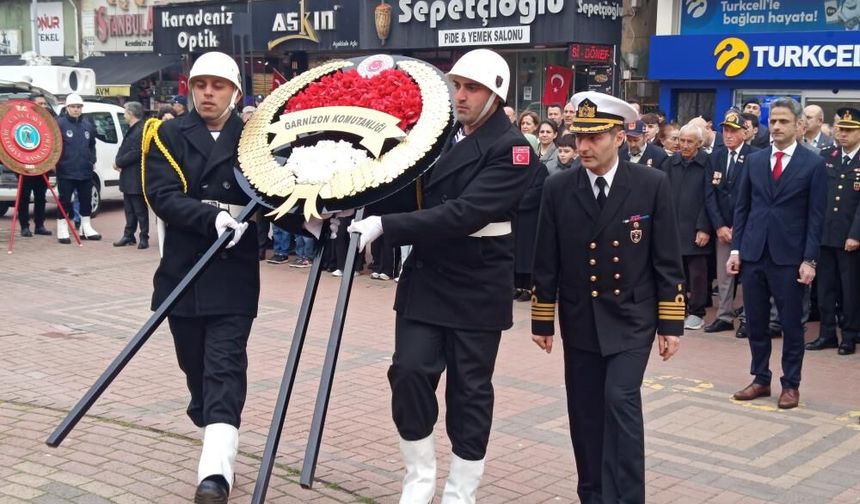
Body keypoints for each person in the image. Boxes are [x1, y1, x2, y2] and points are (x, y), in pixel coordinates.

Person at [346, 48, 534, 504]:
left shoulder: (514, 151)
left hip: (477, 283)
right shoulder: (438, 136)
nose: (461, 96)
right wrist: (348, 204)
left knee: (469, 392)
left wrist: (387, 227)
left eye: (473, 89)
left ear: (495, 95)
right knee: (408, 372)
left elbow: (465, 214)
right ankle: (419, 477)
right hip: (428, 278)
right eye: (457, 86)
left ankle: (460, 491)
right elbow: (402, 188)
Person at [530, 91, 685, 504]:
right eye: (579, 136)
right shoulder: (559, 187)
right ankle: (593, 494)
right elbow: (546, 258)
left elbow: (667, 259)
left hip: (632, 315)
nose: (583, 146)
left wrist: (671, 323)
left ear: (619, 137)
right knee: (585, 411)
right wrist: (543, 319)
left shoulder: (651, 184)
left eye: (594, 137)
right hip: (581, 317)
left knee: (620, 399)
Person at [143, 51, 261, 502]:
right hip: (184, 271)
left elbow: (275, 196)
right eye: (200, 85)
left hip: (233, 276)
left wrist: (316, 211)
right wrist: (209, 217)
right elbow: (162, 195)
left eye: (218, 86)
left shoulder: (253, 140)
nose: (208, 93)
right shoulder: (168, 134)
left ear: (235, 92)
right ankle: (210, 418)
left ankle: (215, 475)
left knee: (224, 369)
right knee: (196, 371)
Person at [728, 97, 827, 410]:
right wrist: (736, 249)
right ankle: (760, 378)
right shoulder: (755, 160)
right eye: (772, 121)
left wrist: (809, 259)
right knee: (756, 322)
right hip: (754, 253)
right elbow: (742, 208)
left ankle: (791, 384)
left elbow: (816, 217)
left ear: (798, 125)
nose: (776, 127)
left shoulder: (813, 164)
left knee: (791, 325)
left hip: (790, 258)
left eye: (783, 121)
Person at [805, 108, 860, 355]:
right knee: (825, 289)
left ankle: (849, 336)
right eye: (841, 129)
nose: (843, 134)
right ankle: (826, 334)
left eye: (849, 130)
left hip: (849, 238)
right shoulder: (828, 156)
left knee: (849, 291)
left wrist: (855, 234)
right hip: (825, 235)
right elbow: (817, 197)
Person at [703, 111, 759, 333]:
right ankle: (724, 316)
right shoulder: (715, 157)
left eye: (733, 131)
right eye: (725, 130)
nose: (728, 135)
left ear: (745, 133)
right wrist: (719, 225)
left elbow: (756, 194)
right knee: (724, 274)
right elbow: (709, 194)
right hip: (723, 227)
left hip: (748, 226)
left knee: (748, 275)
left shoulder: (755, 156)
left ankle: (747, 317)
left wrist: (740, 224)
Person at [660, 124, 713, 330]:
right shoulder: (669, 163)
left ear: (699, 143)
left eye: (689, 141)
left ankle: (697, 312)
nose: (684, 145)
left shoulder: (707, 163)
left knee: (697, 275)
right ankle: (677, 310)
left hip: (696, 227)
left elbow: (710, 198)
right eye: (681, 140)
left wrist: (704, 227)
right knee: (675, 272)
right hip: (673, 227)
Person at [56, 93, 99, 243]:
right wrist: (57, 163)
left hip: (85, 170)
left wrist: (92, 159)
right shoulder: (59, 124)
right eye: (73, 107)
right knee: (65, 200)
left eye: (79, 107)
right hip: (66, 170)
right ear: (67, 107)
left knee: (86, 200)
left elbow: (92, 144)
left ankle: (86, 227)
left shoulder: (87, 125)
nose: (76, 109)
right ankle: (62, 228)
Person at [113, 101, 149, 249]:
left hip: (136, 176)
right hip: (128, 176)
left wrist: (119, 162)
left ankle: (144, 237)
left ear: (131, 113)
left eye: (125, 112)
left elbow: (136, 152)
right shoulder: (133, 128)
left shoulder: (141, 129)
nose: (124, 115)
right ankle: (129, 235)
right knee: (129, 209)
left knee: (139, 209)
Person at [17, 94, 54, 237]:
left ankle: (39, 225)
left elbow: (53, 142)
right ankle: (24, 226)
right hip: (24, 166)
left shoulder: (48, 121)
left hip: (42, 166)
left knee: (40, 196)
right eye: (40, 103)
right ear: (31, 105)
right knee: (24, 197)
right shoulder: (22, 119)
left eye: (45, 104)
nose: (44, 106)